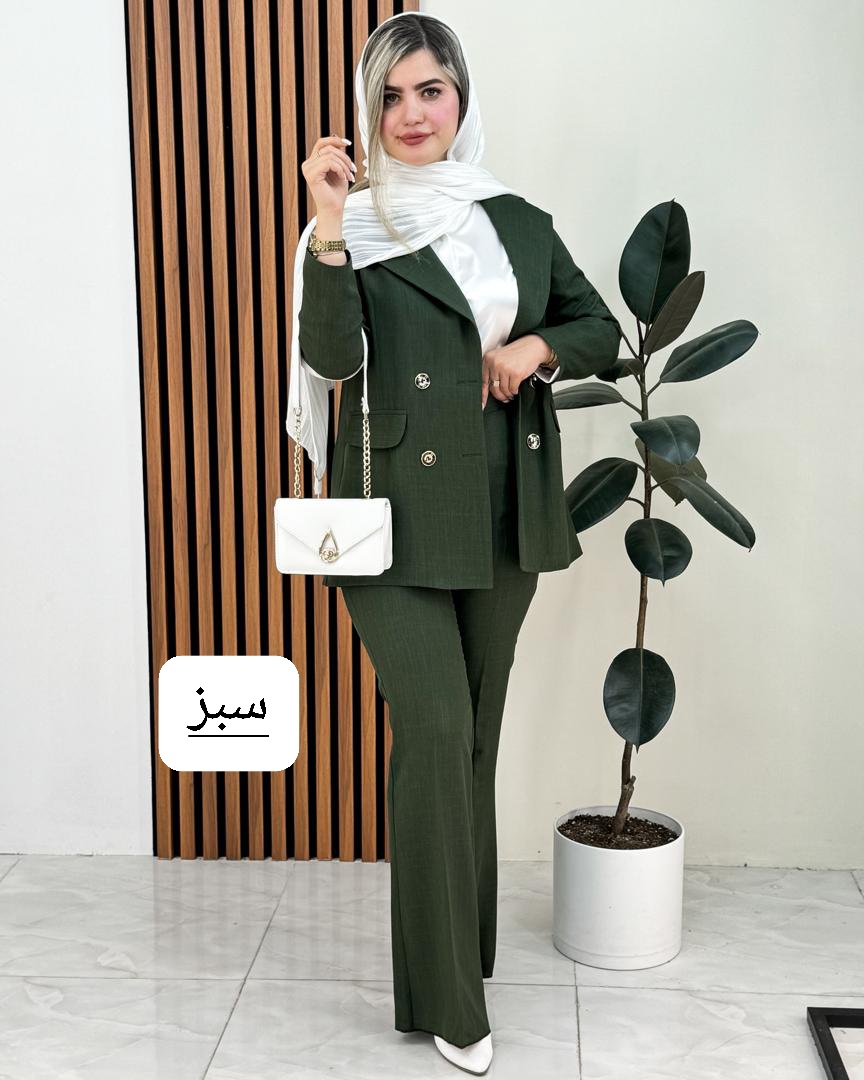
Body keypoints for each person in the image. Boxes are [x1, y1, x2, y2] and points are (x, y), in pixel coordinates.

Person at [290, 11, 621, 1075]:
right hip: (390, 509)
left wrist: (534, 346)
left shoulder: (515, 218)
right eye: (389, 96)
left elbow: (599, 328)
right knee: (435, 730)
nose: (410, 113)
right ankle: (448, 999)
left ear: (461, 97)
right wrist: (328, 224)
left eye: (429, 90)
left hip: (505, 502)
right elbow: (331, 359)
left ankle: (462, 954)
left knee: (475, 736)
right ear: (367, 110)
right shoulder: (350, 222)